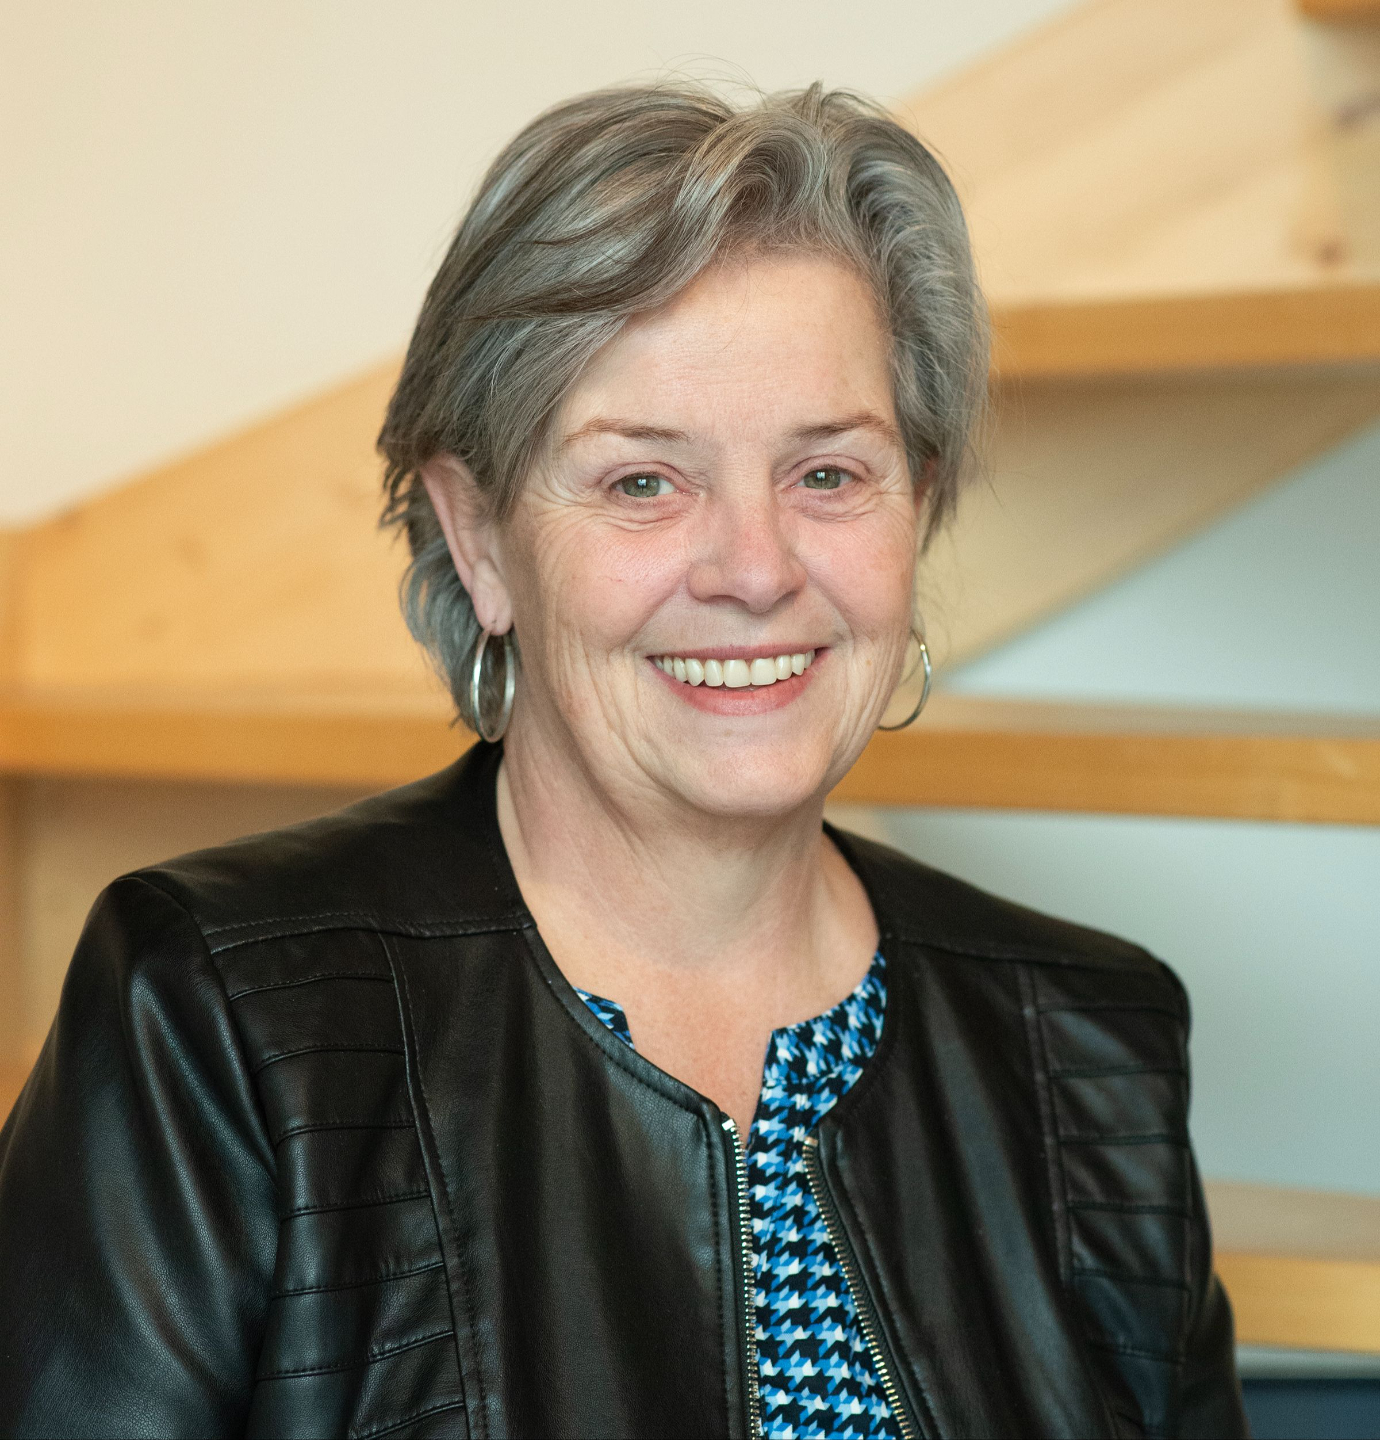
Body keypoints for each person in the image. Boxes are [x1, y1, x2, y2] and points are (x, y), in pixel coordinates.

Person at [0, 83, 1246, 1438]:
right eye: (643, 481)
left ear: (919, 508)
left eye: (829, 474)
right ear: (480, 538)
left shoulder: (1091, 1051)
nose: (755, 571)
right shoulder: (225, 1016)